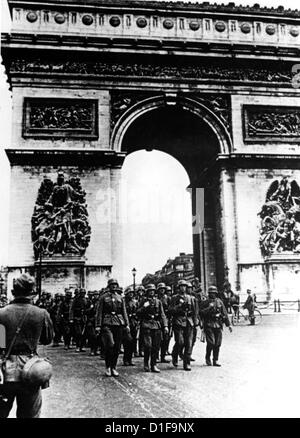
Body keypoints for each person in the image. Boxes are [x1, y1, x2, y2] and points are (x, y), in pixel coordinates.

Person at [0, 273, 53, 418]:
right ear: (33, 293)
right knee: (30, 414)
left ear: (13, 292)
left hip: (5, 371)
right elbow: (47, 339)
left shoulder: (2, 314)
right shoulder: (41, 313)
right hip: (30, 370)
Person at [95, 279, 130, 377]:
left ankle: (113, 367)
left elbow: (124, 312)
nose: (114, 286)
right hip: (107, 323)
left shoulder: (120, 298)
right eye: (112, 285)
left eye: (115, 285)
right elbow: (99, 312)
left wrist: (127, 324)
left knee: (117, 347)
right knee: (110, 345)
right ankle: (108, 367)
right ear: (109, 286)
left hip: (118, 323)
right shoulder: (103, 298)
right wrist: (98, 325)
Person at [137, 284, 168, 373]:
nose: (152, 292)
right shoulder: (143, 301)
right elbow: (138, 312)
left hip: (156, 325)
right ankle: (146, 363)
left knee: (156, 346)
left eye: (153, 291)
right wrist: (144, 307)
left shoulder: (158, 302)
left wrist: (165, 326)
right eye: (150, 290)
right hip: (146, 324)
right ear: (147, 292)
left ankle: (153, 364)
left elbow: (162, 314)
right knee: (148, 345)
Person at [199, 285, 232, 367]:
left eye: (214, 293)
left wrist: (229, 325)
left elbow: (224, 313)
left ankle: (215, 360)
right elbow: (201, 313)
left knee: (217, 343)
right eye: (211, 293)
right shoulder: (205, 302)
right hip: (209, 324)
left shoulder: (219, 301)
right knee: (211, 342)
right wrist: (209, 308)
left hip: (218, 324)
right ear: (209, 293)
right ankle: (207, 358)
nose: (212, 294)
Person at [169, 280, 198, 371]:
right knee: (180, 342)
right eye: (181, 286)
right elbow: (170, 310)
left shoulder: (191, 298)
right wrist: (179, 306)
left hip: (189, 321)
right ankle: (175, 354)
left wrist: (195, 320)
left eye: (185, 286)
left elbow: (195, 311)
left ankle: (187, 363)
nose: (183, 288)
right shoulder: (174, 298)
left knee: (189, 343)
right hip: (178, 321)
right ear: (178, 288)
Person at [123, 287, 138, 366]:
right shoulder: (123, 302)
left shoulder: (134, 302)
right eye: (129, 293)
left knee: (133, 341)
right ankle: (125, 359)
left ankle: (130, 359)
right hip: (126, 323)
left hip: (133, 323)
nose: (131, 294)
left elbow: (137, 311)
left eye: (132, 293)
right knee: (127, 341)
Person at [69, 288, 87, 352]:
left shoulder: (86, 300)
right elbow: (71, 309)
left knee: (83, 333)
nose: (83, 294)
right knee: (78, 333)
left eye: (84, 293)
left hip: (84, 318)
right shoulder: (75, 300)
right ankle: (78, 346)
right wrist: (71, 318)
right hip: (77, 318)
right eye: (81, 293)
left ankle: (82, 346)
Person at [156, 283, 171, 363]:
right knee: (158, 338)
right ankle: (156, 356)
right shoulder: (156, 298)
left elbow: (171, 308)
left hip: (166, 320)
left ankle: (163, 356)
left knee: (165, 339)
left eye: (163, 289)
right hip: (157, 320)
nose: (162, 290)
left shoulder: (167, 298)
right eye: (160, 289)